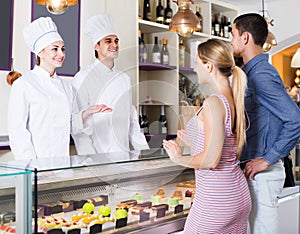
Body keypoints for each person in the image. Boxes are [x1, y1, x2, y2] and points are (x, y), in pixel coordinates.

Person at [163, 39, 251, 233]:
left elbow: (212, 160)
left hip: (215, 198)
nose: (194, 68)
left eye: (197, 62)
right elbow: (226, 144)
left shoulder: (213, 102)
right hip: (238, 195)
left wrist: (179, 158)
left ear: (209, 66)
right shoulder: (233, 99)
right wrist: (194, 140)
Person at [231, 13, 300, 234]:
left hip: (262, 173)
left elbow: (295, 119)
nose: (230, 41)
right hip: (253, 170)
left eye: (233, 35)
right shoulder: (247, 73)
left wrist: (266, 160)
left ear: (245, 38)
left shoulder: (261, 74)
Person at [71, 13, 149, 155]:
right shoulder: (82, 78)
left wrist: (143, 151)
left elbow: (131, 118)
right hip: (96, 158)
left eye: (116, 41)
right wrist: (90, 160)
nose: (114, 45)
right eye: (108, 41)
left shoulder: (124, 78)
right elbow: (77, 127)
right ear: (96, 46)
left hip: (123, 156)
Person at [7, 17, 75, 160]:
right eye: (55, 49)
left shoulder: (66, 87)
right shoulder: (23, 84)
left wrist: (87, 114)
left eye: (62, 49)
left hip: (62, 164)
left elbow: (71, 125)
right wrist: (33, 165)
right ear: (40, 52)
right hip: (36, 167)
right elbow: (17, 131)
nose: (61, 54)